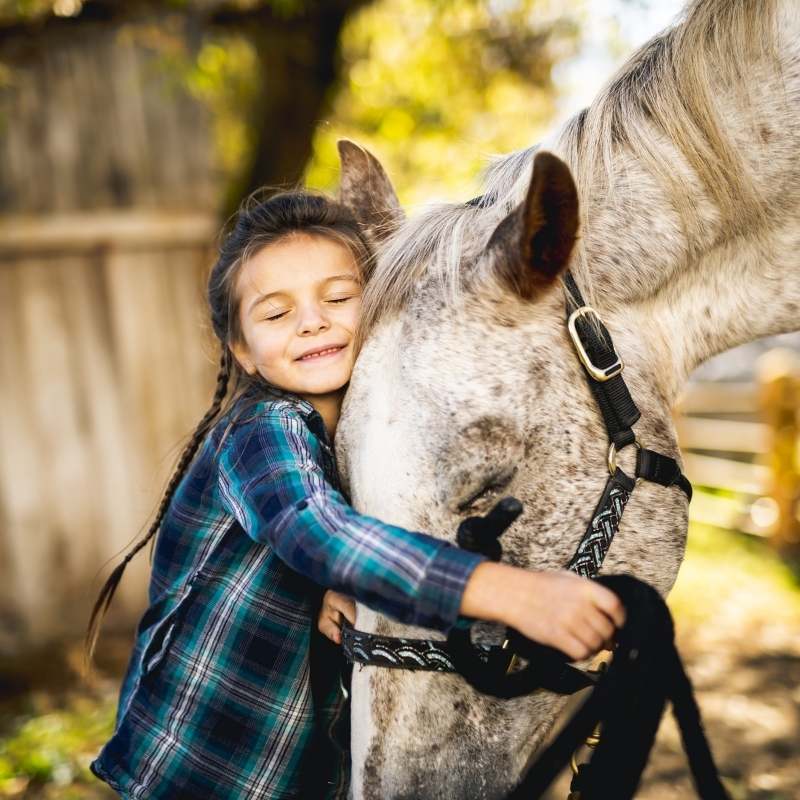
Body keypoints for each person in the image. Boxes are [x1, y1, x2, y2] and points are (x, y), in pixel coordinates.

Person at [86, 190, 625, 800]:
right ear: (242, 350)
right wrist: (513, 595)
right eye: (275, 313)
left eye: (338, 298)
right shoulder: (260, 429)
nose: (312, 321)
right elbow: (313, 531)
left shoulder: (364, 439)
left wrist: (319, 590)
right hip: (204, 767)